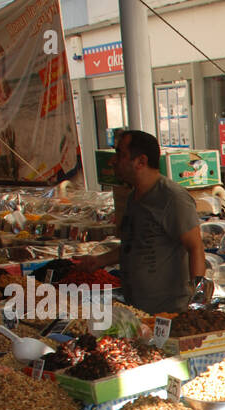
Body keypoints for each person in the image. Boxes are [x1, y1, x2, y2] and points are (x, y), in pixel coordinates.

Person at [75, 130, 205, 315]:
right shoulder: (133, 197)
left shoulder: (172, 198)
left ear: (141, 162)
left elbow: (196, 248)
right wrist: (99, 261)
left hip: (168, 310)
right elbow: (136, 245)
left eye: (120, 154)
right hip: (137, 308)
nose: (114, 161)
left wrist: (196, 303)